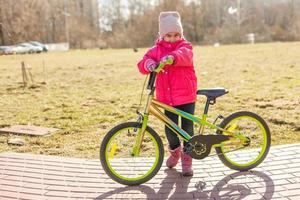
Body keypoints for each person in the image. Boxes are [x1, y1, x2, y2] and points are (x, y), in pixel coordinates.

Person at [137, 11, 197, 176]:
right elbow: (142, 63)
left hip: (186, 96)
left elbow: (186, 56)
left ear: (181, 34)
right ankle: (175, 152)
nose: (173, 38)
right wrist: (149, 64)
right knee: (170, 129)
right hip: (167, 98)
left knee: (187, 128)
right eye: (169, 35)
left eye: (177, 35)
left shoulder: (185, 46)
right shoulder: (155, 50)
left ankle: (187, 158)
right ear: (162, 35)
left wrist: (172, 57)